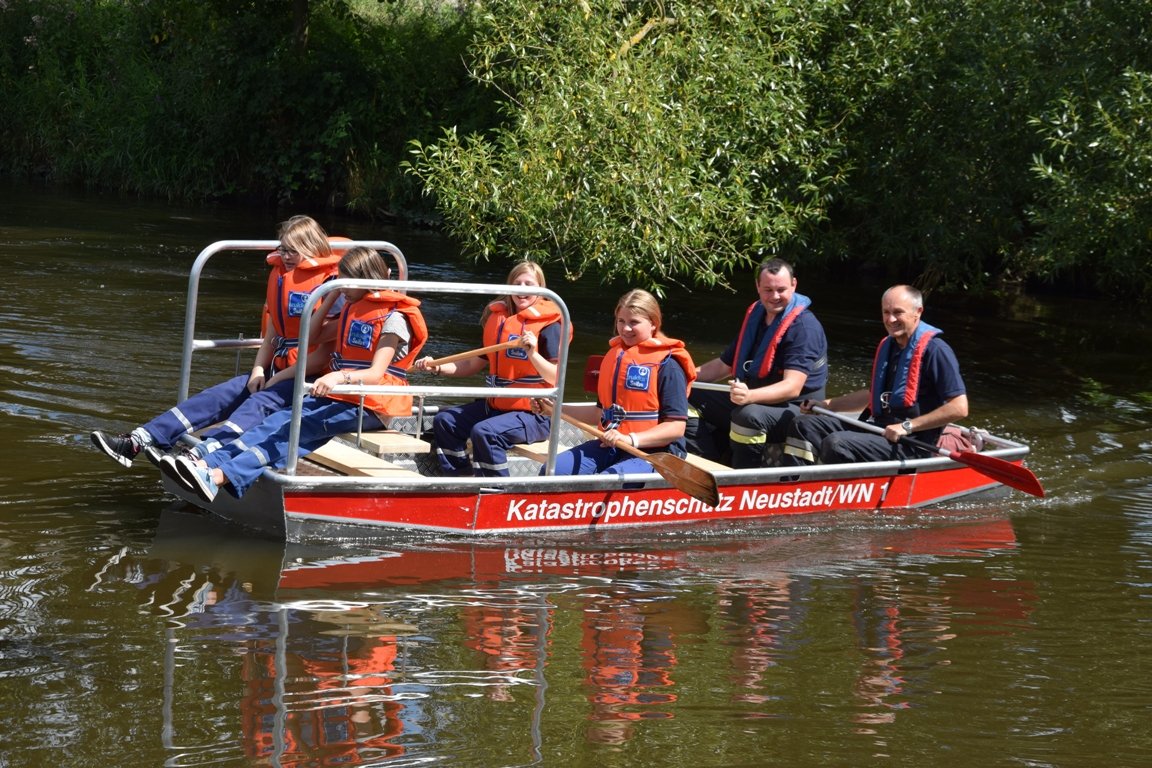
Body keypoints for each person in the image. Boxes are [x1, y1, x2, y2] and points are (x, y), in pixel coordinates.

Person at [166, 246, 428, 501]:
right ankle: (209, 463)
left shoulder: (394, 319)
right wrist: (330, 298)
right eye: (340, 281)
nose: (342, 287)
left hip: (371, 404)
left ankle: (220, 475)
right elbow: (309, 336)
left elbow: (375, 373)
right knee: (276, 420)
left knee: (296, 428)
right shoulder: (351, 308)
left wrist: (338, 377)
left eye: (347, 282)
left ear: (367, 279)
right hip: (344, 396)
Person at [91, 215, 345, 467]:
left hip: (309, 379)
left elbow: (322, 357)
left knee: (258, 403)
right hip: (278, 369)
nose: (286, 256)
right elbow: (274, 332)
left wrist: (278, 378)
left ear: (312, 249)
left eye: (294, 251)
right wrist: (259, 369)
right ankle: (140, 440)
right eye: (283, 249)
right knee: (220, 395)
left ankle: (202, 454)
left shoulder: (331, 289)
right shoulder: (283, 279)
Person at [413, 261, 570, 477]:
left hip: (534, 414)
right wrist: (436, 367)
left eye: (529, 284)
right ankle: (460, 479)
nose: (522, 289)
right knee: (445, 421)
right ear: (509, 287)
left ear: (540, 289)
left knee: (484, 432)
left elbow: (556, 377)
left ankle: (496, 489)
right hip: (497, 407)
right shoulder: (500, 323)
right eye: (517, 283)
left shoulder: (549, 327)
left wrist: (532, 352)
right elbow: (469, 364)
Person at [781, 284, 968, 465]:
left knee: (838, 443)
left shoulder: (936, 351)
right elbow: (873, 396)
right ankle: (794, 486)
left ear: (918, 312)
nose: (891, 319)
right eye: (886, 312)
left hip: (911, 442)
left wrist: (907, 427)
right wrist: (827, 405)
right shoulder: (890, 346)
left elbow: (959, 408)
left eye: (898, 312)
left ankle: (835, 492)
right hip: (878, 430)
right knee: (803, 424)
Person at [685, 258, 828, 468]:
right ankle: (707, 462)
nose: (775, 296)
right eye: (768, 290)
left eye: (781, 289)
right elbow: (723, 366)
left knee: (748, 415)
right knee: (686, 392)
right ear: (758, 287)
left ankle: (743, 476)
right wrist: (681, 376)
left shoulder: (805, 328)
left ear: (794, 285)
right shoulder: (757, 317)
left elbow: (793, 387)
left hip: (796, 410)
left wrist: (750, 396)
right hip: (752, 399)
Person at [539, 289, 695, 477]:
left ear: (653, 324)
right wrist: (555, 408)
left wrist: (630, 439)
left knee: (608, 482)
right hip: (612, 443)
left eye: (634, 322)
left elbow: (676, 427)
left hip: (656, 451)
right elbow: (599, 413)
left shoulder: (668, 364)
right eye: (621, 321)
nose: (626, 328)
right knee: (553, 470)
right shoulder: (614, 357)